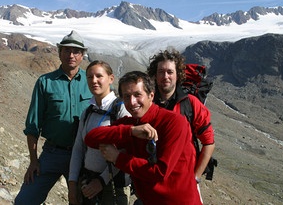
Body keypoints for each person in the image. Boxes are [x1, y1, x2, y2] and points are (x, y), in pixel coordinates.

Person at [84, 71, 202, 205]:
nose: (132, 102)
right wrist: (130, 131)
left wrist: (117, 158)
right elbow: (91, 139)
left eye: (137, 95)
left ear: (151, 95)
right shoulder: (131, 124)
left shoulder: (174, 122)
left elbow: (159, 172)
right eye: (127, 96)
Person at [15, 30, 93, 205]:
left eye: (76, 51)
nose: (71, 55)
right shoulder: (45, 82)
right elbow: (33, 125)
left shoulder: (92, 82)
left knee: (82, 201)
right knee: (25, 201)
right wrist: (33, 161)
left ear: (82, 55)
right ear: (59, 53)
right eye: (67, 50)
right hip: (52, 153)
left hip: (83, 156)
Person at [147, 49, 215, 200]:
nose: (165, 76)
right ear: (155, 75)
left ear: (178, 75)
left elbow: (209, 143)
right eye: (161, 71)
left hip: (185, 182)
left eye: (170, 72)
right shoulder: (147, 104)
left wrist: (195, 178)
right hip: (154, 179)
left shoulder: (191, 104)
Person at [68, 60, 131, 205]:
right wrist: (72, 184)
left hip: (113, 187)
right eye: (90, 77)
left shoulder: (121, 109)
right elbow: (79, 148)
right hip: (88, 184)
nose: (94, 81)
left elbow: (125, 151)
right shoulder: (88, 112)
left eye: (99, 76)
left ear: (111, 79)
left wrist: (102, 181)